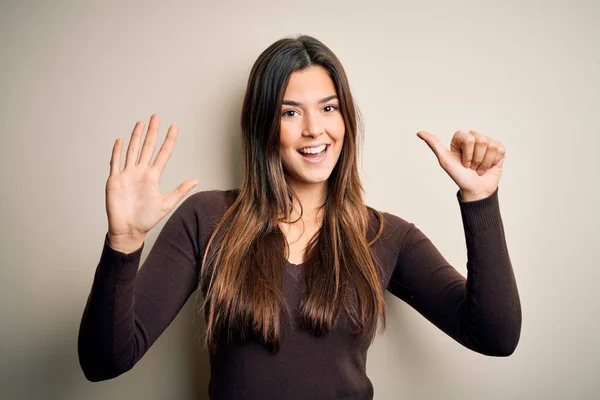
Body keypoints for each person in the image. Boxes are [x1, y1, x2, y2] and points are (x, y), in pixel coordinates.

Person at [78, 35, 521, 399]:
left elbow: (494, 337)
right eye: (290, 112)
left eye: (328, 108)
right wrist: (124, 243)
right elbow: (105, 362)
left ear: (345, 119)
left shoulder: (387, 236)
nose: (314, 129)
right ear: (263, 125)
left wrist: (480, 199)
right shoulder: (207, 218)